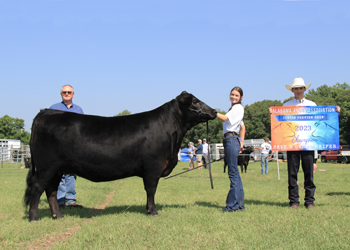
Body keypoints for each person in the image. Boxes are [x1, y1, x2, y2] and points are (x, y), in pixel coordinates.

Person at [279, 78, 340, 210]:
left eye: (301, 88)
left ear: (304, 89)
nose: (298, 91)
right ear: (292, 90)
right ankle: (294, 201)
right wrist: (273, 114)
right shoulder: (286, 106)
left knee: (309, 173)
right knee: (292, 173)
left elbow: (321, 120)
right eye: (296, 88)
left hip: (309, 143)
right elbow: (280, 123)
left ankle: (309, 201)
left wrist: (335, 111)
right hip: (292, 144)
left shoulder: (312, 104)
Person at [50, 85, 84, 209]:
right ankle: (60, 200)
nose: (66, 94)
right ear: (61, 94)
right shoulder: (54, 108)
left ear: (73, 94)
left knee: (71, 173)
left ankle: (70, 200)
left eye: (69, 92)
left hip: (74, 146)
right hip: (59, 146)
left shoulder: (79, 110)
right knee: (60, 173)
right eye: (64, 92)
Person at [216, 86, 245, 212]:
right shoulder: (234, 108)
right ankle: (239, 205)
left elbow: (225, 118)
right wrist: (242, 142)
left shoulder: (237, 108)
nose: (233, 97)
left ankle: (232, 206)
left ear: (241, 97)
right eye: (232, 94)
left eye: (236, 95)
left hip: (231, 140)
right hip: (232, 139)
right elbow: (243, 127)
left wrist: (212, 112)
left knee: (233, 173)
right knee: (236, 174)